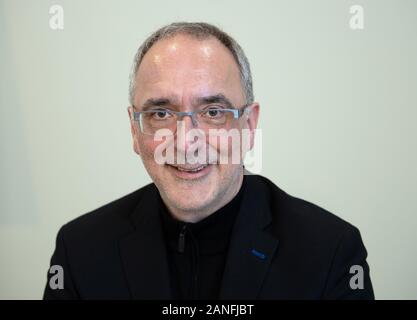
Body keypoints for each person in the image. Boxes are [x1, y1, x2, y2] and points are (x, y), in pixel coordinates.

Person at [43, 22, 374, 299]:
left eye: (213, 112)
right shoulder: (79, 251)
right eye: (161, 113)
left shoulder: (331, 252)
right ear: (134, 129)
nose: (186, 141)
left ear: (248, 124)